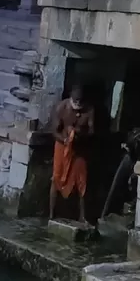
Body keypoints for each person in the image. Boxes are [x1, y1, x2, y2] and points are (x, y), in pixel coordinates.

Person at [48, 84, 95, 224]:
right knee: (56, 178)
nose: (78, 104)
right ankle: (51, 213)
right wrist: (65, 139)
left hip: (80, 149)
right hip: (62, 147)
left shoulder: (89, 110)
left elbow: (92, 131)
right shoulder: (62, 107)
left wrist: (80, 134)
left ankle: (82, 216)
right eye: (76, 101)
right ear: (71, 98)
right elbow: (54, 131)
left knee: (82, 181)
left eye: (81, 101)